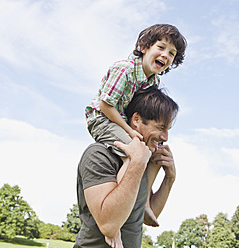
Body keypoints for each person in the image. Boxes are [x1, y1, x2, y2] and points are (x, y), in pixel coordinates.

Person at [84, 24, 186, 246]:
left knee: (142, 154)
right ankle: (115, 227)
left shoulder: (152, 82)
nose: (166, 55)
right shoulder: (125, 68)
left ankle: (145, 203)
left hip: (122, 121)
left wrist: (166, 174)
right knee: (133, 153)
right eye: (161, 47)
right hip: (102, 118)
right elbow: (105, 104)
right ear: (144, 46)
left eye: (172, 54)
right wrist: (131, 132)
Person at [75, 86, 179, 247]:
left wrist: (169, 177)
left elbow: (146, 217)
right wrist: (137, 163)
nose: (165, 137)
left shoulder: (143, 161)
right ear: (136, 120)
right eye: (160, 128)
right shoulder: (99, 154)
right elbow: (109, 226)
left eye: (168, 130)